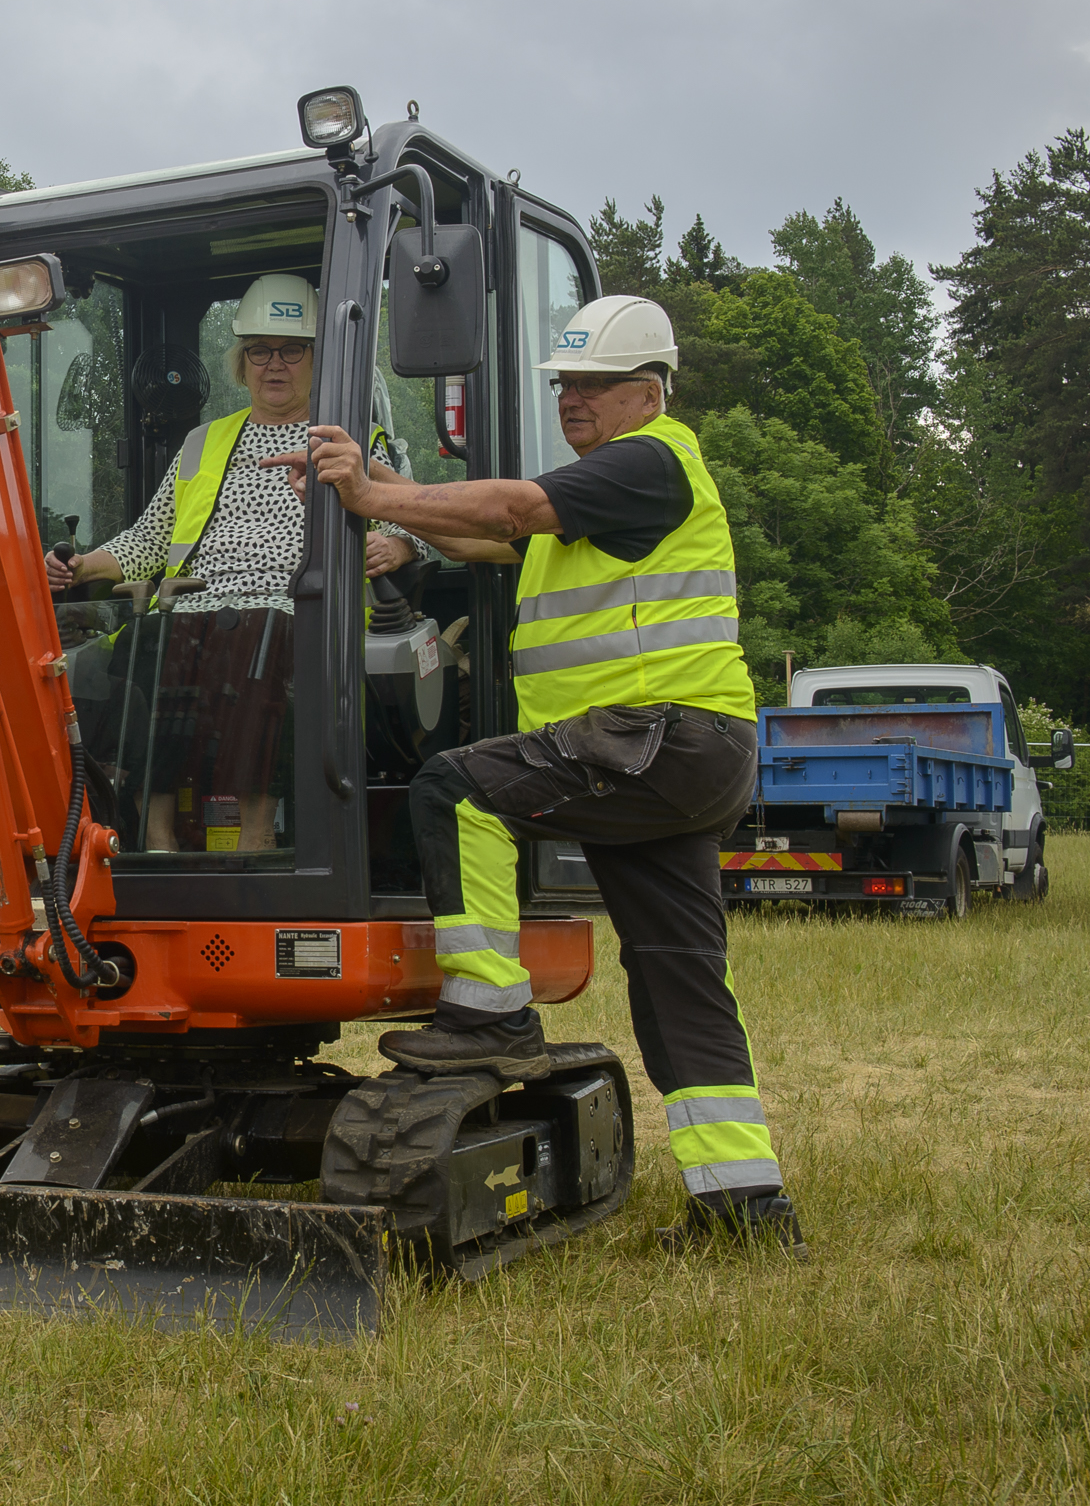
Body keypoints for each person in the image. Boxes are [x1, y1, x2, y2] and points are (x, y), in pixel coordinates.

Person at [272, 294, 802, 1253]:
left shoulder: (648, 460)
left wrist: (375, 500)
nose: (572, 400)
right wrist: (370, 481)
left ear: (649, 392)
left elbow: (511, 507)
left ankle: (489, 1013)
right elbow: (484, 538)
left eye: (594, 385)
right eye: (565, 385)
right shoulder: (605, 496)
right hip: (681, 753)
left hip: (655, 738)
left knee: (454, 788)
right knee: (680, 980)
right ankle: (745, 1206)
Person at [48, 271, 411, 851]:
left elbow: (410, 515)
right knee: (138, 649)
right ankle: (156, 836)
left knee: (254, 640)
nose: (275, 365)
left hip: (295, 608)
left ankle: (254, 833)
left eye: (291, 350)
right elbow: (148, 540)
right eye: (259, 351)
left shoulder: (357, 442)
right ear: (241, 364)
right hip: (191, 607)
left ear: (317, 360)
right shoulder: (202, 443)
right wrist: (83, 565)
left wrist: (397, 544)